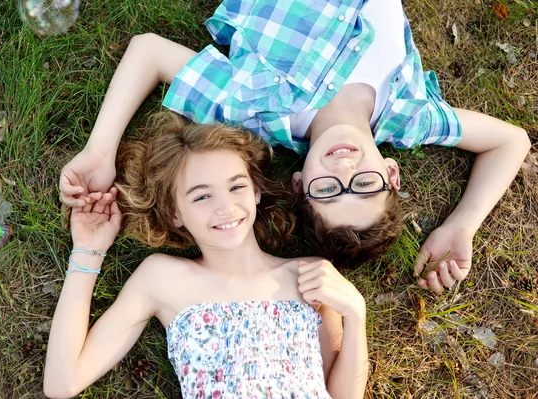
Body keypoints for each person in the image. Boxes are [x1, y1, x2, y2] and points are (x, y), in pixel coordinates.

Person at [58, 0, 530, 294]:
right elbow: (511, 141)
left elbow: (149, 51)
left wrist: (100, 153)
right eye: (364, 186)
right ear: (391, 174)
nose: (345, 170)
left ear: (301, 183)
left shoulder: (258, 108)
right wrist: (462, 225)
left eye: (329, 190)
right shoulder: (410, 117)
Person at [44, 112, 369, 399]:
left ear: (256, 191)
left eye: (236, 187)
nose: (225, 206)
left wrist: (355, 314)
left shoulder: (310, 275)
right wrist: (89, 251)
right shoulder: (161, 278)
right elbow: (63, 382)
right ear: (174, 213)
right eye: (201, 196)